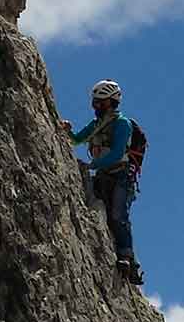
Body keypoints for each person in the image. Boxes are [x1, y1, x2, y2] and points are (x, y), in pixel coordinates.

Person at [58, 79, 144, 284]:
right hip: (104, 174)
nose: (96, 106)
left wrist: (91, 167)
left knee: (117, 214)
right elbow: (77, 140)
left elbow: (116, 153)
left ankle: (126, 258)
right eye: (95, 102)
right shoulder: (97, 125)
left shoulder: (122, 124)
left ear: (111, 102)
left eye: (100, 102)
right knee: (104, 213)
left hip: (121, 175)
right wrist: (67, 130)